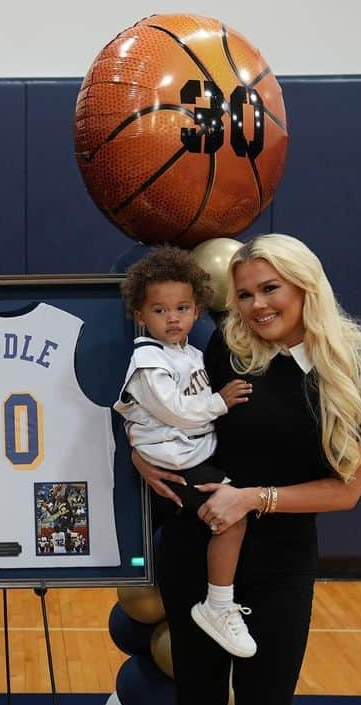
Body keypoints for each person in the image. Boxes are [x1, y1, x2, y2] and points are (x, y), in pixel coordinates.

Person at [131, 234, 361, 705]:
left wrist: (253, 498)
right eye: (245, 295)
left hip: (279, 564)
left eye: (270, 289)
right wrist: (141, 457)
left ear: (306, 287)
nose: (257, 306)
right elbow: (170, 417)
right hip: (195, 548)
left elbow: (347, 490)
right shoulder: (227, 349)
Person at [113, 247, 255, 657]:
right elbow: (177, 412)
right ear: (141, 315)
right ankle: (219, 605)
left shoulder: (190, 354)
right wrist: (221, 403)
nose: (173, 318)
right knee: (232, 519)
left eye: (182, 307)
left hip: (190, 454)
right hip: (176, 460)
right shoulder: (147, 360)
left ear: (197, 311)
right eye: (160, 310)